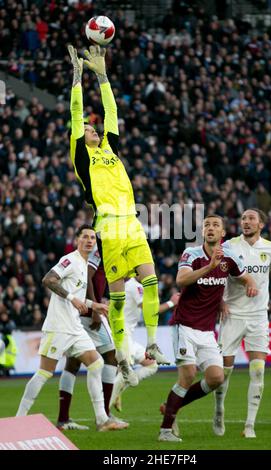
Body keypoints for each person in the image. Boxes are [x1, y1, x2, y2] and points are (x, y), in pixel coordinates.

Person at [67, 44, 169, 386]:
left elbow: (111, 112)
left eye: (93, 129)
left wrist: (103, 76)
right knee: (118, 295)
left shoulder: (108, 147)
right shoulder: (82, 156)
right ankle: (123, 356)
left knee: (151, 279)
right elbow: (76, 114)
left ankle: (152, 342)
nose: (93, 130)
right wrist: (78, 79)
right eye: (89, 129)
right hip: (108, 227)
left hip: (132, 222)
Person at [158, 215, 258, 442]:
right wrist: (209, 267)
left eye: (215, 225)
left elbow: (244, 277)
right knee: (188, 374)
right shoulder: (191, 254)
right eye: (206, 226)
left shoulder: (230, 257)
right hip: (184, 325)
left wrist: (251, 284)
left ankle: (172, 406)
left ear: (223, 233)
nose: (210, 228)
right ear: (202, 232)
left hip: (206, 330)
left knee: (216, 378)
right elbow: (181, 281)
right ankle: (165, 430)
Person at [16, 224, 124, 431]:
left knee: (96, 363)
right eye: (85, 237)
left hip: (74, 327)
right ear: (77, 240)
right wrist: (73, 299)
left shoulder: (84, 265)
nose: (90, 241)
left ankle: (102, 419)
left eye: (92, 238)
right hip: (58, 327)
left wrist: (95, 305)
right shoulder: (70, 260)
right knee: (44, 373)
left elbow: (80, 297)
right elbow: (48, 279)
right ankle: (20, 418)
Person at [213, 208, 271, 438]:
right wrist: (220, 302)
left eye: (251, 219)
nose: (246, 222)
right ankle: (219, 410)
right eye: (243, 218)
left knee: (258, 371)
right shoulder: (228, 246)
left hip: (258, 317)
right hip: (232, 315)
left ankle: (249, 425)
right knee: (223, 371)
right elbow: (215, 276)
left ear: (261, 224)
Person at [57, 243, 128, 430]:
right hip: (87, 312)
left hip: (77, 312)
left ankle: (64, 419)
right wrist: (95, 307)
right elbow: (88, 274)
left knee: (72, 364)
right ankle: (104, 415)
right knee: (111, 355)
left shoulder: (106, 247)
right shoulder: (100, 247)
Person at [110, 277, 180, 412]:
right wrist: (172, 303)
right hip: (121, 334)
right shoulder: (135, 287)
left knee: (152, 365)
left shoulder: (135, 286)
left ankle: (118, 392)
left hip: (127, 335)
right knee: (124, 371)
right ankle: (104, 415)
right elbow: (151, 311)